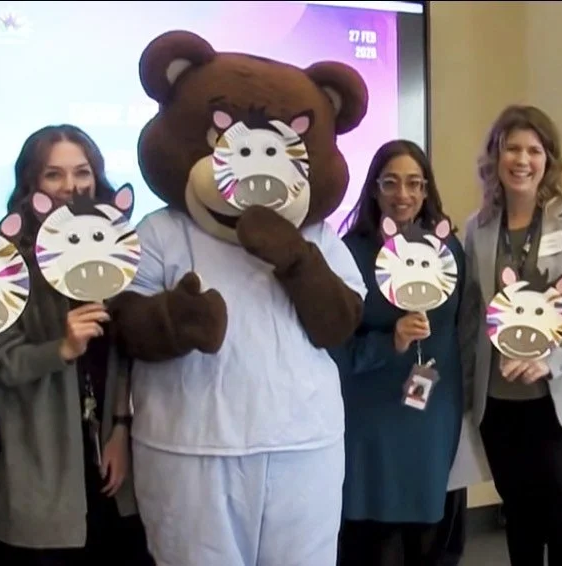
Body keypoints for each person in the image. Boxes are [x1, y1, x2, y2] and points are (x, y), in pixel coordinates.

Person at [105, 31, 369, 565]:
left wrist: (296, 259)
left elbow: (339, 323)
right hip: (189, 444)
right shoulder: (160, 231)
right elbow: (126, 324)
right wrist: (173, 321)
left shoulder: (318, 237)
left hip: (301, 442)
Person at [0, 124, 152, 564]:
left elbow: (127, 353)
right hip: (40, 465)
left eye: (82, 172)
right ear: (31, 184)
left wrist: (120, 428)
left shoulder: (113, 248)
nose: (71, 186)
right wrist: (61, 348)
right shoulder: (4, 257)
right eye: (53, 174)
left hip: (110, 459)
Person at [460, 104, 562, 566]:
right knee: (520, 517)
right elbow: (472, 314)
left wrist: (551, 360)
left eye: (534, 150)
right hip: (500, 400)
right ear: (496, 157)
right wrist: (464, 393)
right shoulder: (478, 228)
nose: (522, 160)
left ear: (549, 158)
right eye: (512, 148)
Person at [333, 140, 467, 566]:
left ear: (426, 190)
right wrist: (387, 342)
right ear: (374, 189)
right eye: (390, 182)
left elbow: (458, 332)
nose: (402, 194)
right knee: (374, 540)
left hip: (432, 413)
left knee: (429, 536)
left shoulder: (448, 253)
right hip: (370, 416)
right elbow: (334, 347)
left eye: (414, 183)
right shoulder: (348, 254)